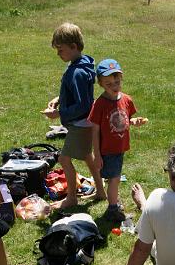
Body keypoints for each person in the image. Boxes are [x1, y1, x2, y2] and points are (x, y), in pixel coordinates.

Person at [42, 22, 105, 210]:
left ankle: (71, 198)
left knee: (64, 159)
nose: (58, 54)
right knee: (88, 156)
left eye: (60, 50)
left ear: (73, 46)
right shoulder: (82, 64)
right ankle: (101, 191)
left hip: (80, 123)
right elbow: (79, 94)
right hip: (85, 123)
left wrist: (59, 113)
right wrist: (59, 99)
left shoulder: (76, 72)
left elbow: (83, 104)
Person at [87, 58, 148, 221]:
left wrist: (135, 121)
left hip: (119, 148)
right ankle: (112, 209)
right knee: (114, 179)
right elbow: (94, 130)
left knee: (114, 178)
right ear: (100, 84)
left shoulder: (126, 100)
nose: (114, 86)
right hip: (108, 149)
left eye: (117, 82)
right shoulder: (100, 104)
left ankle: (114, 202)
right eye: (109, 84)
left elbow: (127, 118)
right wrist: (97, 154)